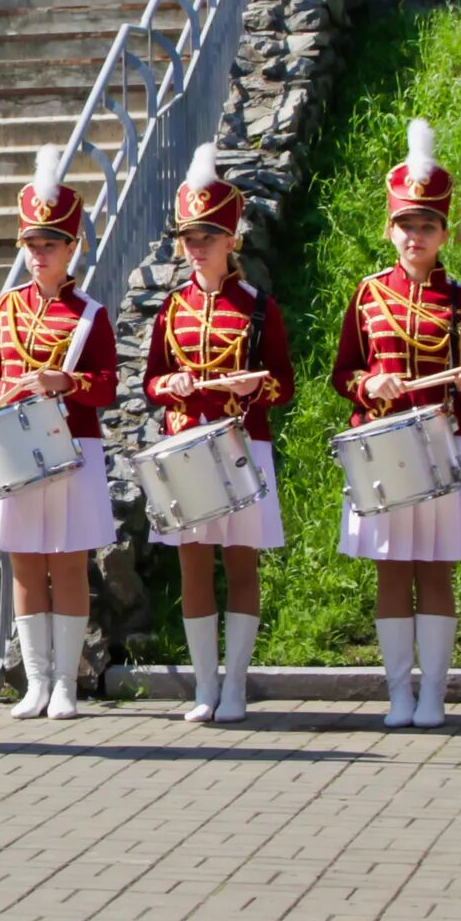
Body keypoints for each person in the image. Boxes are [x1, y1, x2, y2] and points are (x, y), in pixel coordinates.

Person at [332, 120, 461, 730]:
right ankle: (399, 692)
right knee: (392, 567)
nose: (415, 235)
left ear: (444, 232)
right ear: (389, 228)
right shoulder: (368, 294)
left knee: (437, 567)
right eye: (406, 224)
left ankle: (435, 695)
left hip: (445, 442)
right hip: (383, 448)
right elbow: (343, 371)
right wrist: (370, 384)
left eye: (427, 224)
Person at [0, 151, 121, 721]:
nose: (38, 255)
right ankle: (34, 682)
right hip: (12, 450)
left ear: (71, 247)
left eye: (49, 245)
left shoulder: (91, 315)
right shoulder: (3, 308)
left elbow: (106, 386)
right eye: (31, 245)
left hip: (74, 448)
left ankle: (66, 684)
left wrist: (66, 380)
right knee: (26, 565)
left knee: (70, 565)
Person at [143, 146, 291, 723]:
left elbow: (285, 383)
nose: (197, 247)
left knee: (242, 561)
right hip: (185, 447)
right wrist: (171, 384)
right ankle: (205, 684)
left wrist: (258, 387)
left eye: (208, 235)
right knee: (193, 564)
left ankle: (236, 685)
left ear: (232, 238)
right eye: (188, 237)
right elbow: (152, 379)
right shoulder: (170, 308)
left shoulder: (258, 308)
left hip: (240, 446)